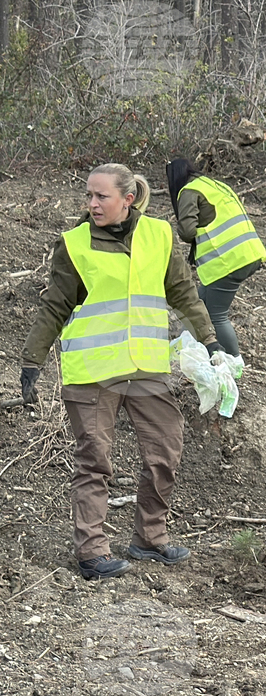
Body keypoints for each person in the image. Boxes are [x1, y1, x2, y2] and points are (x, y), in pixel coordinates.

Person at [20, 163, 223, 580]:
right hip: (93, 372)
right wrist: (31, 361)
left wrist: (211, 341)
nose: (92, 204)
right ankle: (91, 551)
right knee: (94, 461)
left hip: (145, 367)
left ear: (128, 199)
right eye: (89, 196)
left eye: (102, 196)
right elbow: (54, 306)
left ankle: (150, 537)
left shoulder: (159, 234)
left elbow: (183, 292)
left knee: (165, 451)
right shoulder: (74, 244)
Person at [167, 158, 266, 357]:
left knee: (217, 315)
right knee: (197, 305)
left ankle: (234, 363)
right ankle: (184, 350)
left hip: (227, 261)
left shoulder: (188, 191)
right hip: (249, 253)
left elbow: (187, 232)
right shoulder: (214, 185)